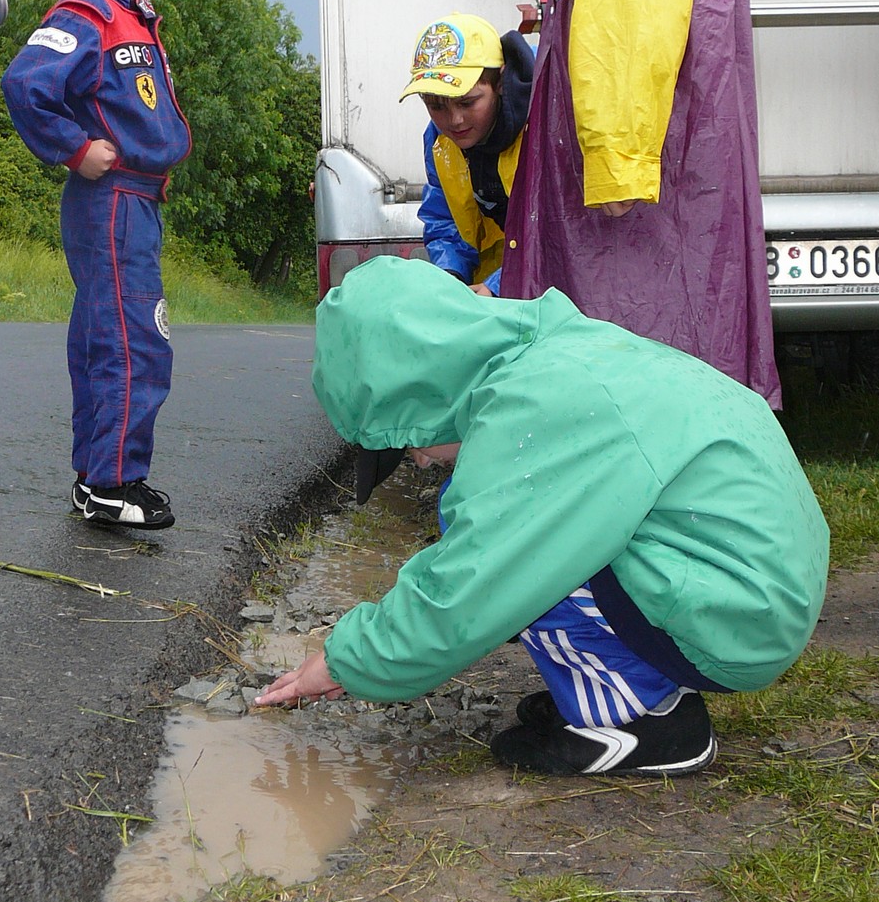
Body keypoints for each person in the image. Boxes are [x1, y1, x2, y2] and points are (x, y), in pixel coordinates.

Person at [256, 258, 828, 777]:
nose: (420, 459)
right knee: (508, 520)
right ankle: (627, 680)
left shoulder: (538, 409)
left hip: (743, 619)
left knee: (507, 543)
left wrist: (342, 662)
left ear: (422, 398)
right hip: (747, 582)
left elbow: (472, 583)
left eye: (409, 445)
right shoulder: (553, 355)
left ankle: (646, 724)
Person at [451, 0, 781, 407]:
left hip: (644, 177)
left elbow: (631, 27)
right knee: (653, 339)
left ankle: (653, 495)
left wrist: (619, 161)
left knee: (645, 339)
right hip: (660, 165)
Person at [1, 0, 194, 528]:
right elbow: (26, 83)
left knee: (107, 336)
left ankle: (99, 477)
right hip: (110, 200)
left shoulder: (129, 16)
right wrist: (73, 147)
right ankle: (115, 481)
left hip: (137, 202)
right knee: (131, 339)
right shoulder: (87, 14)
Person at [402, 13, 535, 295]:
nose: (455, 121)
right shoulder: (439, 139)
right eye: (436, 106)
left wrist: (498, 286)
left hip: (559, 286)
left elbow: (557, 231)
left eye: (468, 102)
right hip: (500, 275)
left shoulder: (540, 126)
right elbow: (445, 218)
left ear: (499, 82)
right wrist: (450, 277)